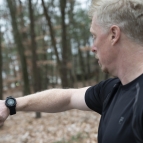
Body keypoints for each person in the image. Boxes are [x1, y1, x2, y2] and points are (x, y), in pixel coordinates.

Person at [0, 0, 143, 142]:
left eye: (94, 36)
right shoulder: (112, 89)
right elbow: (68, 97)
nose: (93, 47)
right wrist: (11, 105)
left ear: (114, 34)